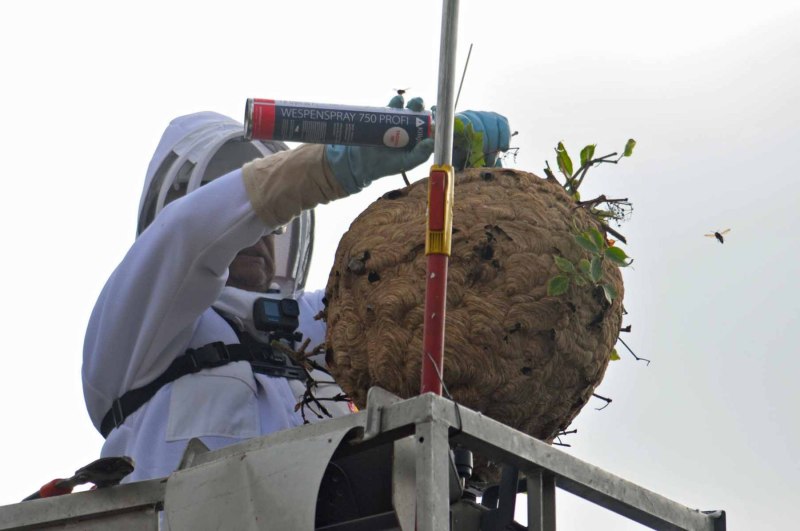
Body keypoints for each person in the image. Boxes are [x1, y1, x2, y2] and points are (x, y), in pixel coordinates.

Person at [82, 96, 510, 483]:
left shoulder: (322, 323)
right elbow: (191, 235)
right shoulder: (133, 332)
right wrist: (329, 166)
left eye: (272, 223)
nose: (260, 231)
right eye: (243, 213)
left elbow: (431, 306)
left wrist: (473, 199)